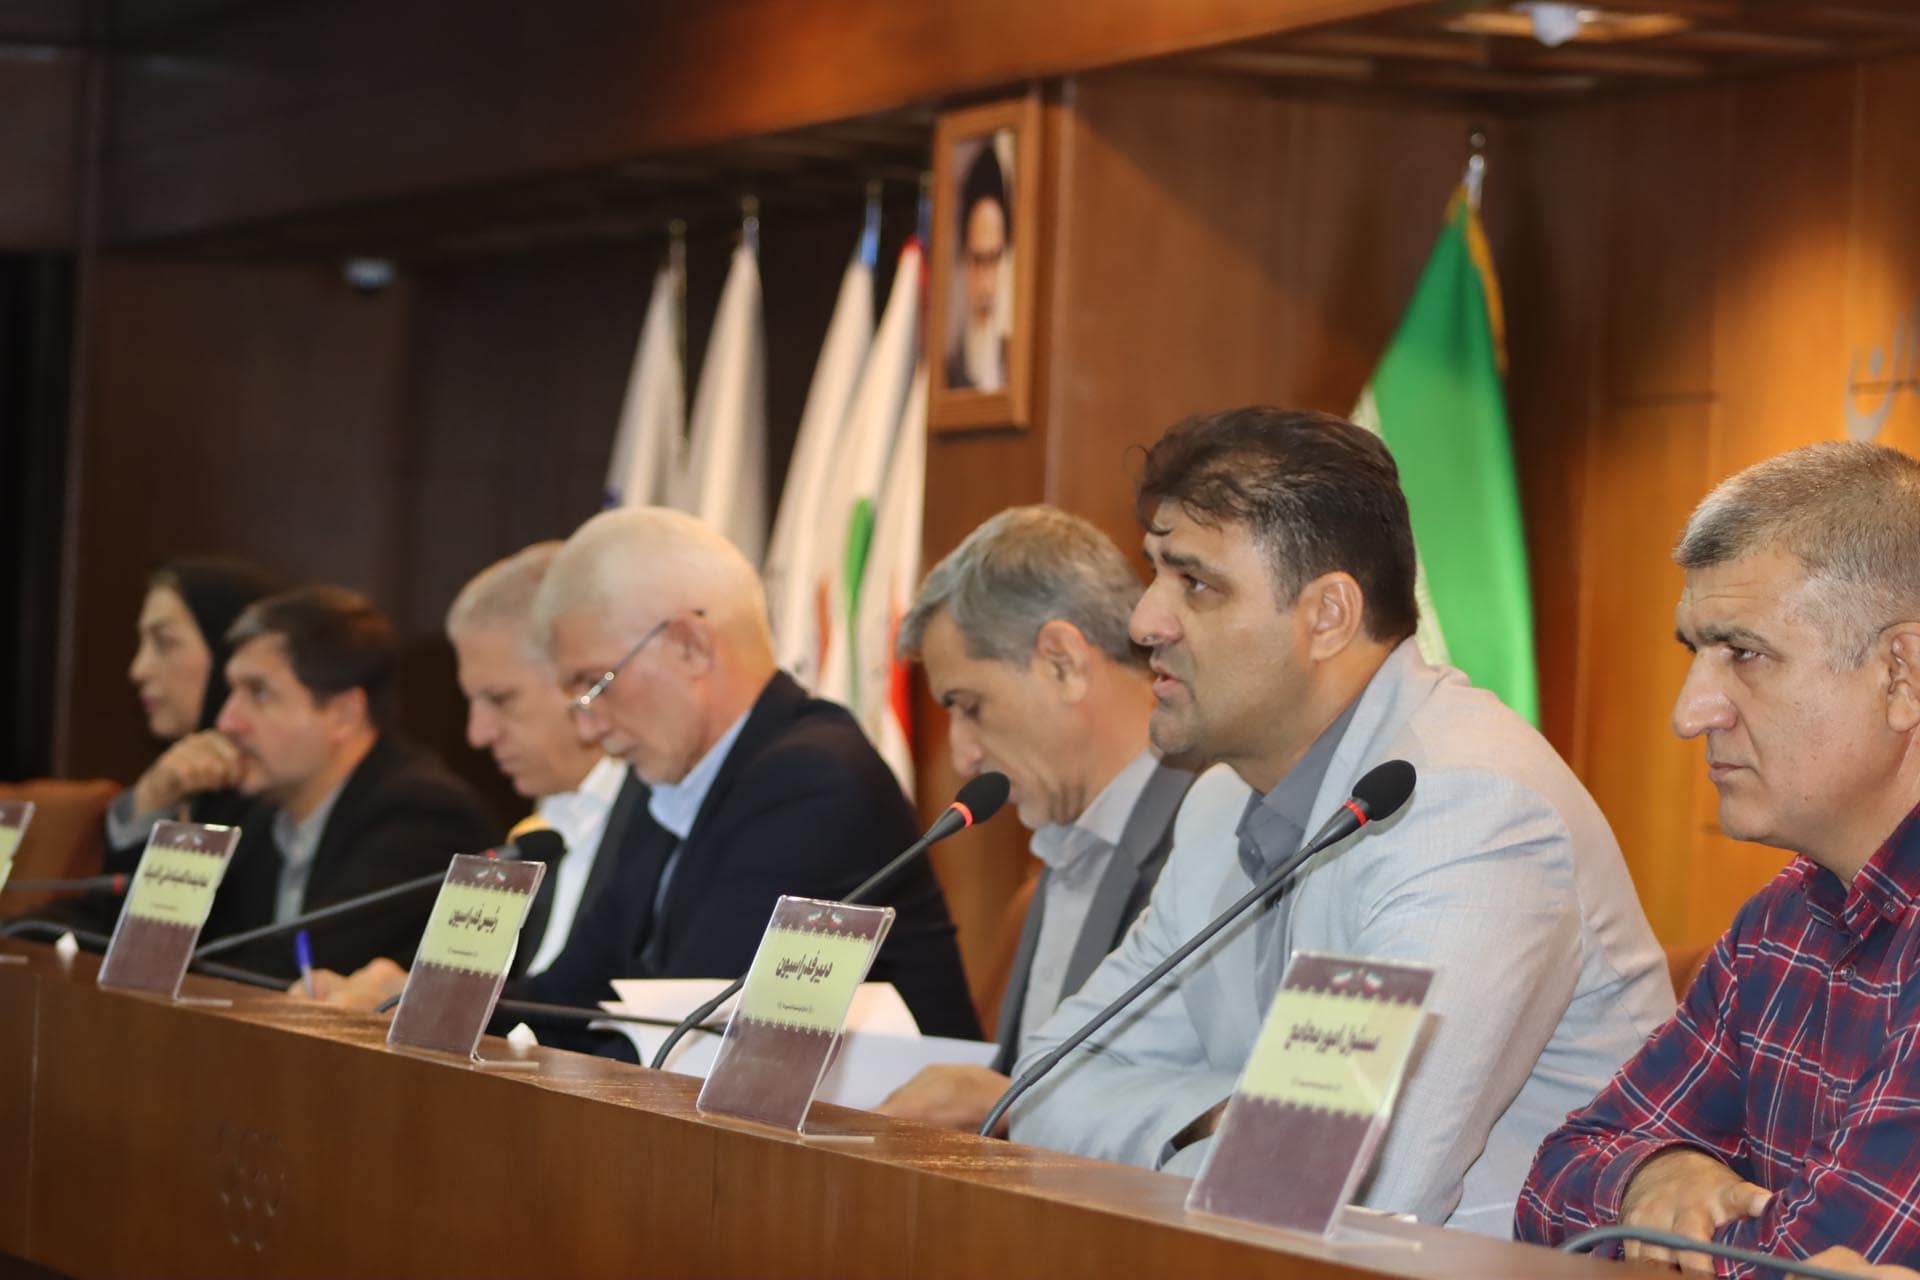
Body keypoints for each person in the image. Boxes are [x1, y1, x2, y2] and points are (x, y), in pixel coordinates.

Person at [1009, 407, 1672, 1235]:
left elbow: (1357, 1203)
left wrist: (1252, 1138)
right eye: (1155, 574)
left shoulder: (1470, 809)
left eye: (1195, 584)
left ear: (1327, 616)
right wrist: (1217, 1116)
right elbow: (1041, 1089)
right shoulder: (1221, 802)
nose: (1144, 622)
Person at [1516, 442, 1920, 1271]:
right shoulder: (1781, 921)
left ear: (1902, 676)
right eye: (1693, 652)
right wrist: (1652, 1175)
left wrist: (1657, 1223)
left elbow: (1812, 1257)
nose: (1690, 712)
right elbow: (1553, 1185)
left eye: (1744, 653)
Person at [518, 507, 980, 1050]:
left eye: (596, 683)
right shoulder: (671, 774)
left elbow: (686, 1039)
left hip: (891, 1108)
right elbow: (566, 997)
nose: (588, 726)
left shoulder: (814, 783)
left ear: (690, 646)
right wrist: (453, 1010)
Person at [876, 506, 1196, 1131]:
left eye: (970, 706)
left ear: (1062, 661)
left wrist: (1009, 1104)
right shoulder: (1062, 847)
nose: (964, 757)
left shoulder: (1209, 847)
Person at [298, 544, 641, 1007]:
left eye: (500, 699)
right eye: (472, 702)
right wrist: (401, 995)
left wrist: (420, 1001)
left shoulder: (660, 828)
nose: (477, 734)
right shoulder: (538, 832)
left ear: (581, 678)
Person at [192, 585, 500, 978]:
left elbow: (298, 968)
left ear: (344, 714)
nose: (227, 721)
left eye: (259, 693)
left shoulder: (422, 815)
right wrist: (151, 805)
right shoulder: (255, 814)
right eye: (231, 692)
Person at [22, 557, 281, 936]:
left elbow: (176, 940)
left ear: (231, 652)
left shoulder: (276, 796)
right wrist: (149, 801)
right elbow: (124, 926)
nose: (138, 669)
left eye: (164, 642)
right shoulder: (190, 781)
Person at [945, 140, 1011, 393]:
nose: (986, 285)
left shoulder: (1016, 366)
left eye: (994, 260)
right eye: (977, 260)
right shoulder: (948, 370)